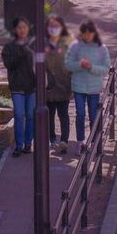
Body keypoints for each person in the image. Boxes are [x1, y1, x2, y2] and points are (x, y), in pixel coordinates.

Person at [65, 20, 111, 151]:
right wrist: (80, 65)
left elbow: (106, 67)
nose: (87, 36)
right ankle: (80, 141)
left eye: (89, 34)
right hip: (78, 86)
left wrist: (91, 67)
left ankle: (94, 141)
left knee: (93, 116)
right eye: (84, 34)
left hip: (94, 87)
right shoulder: (75, 46)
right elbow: (68, 64)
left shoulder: (101, 48)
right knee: (79, 113)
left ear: (94, 33)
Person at [1, 17, 36, 157]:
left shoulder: (34, 45)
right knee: (19, 114)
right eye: (19, 27)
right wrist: (23, 51)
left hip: (32, 87)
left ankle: (28, 144)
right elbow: (9, 64)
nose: (22, 30)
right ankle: (19, 145)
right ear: (15, 30)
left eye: (25, 27)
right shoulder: (9, 47)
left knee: (31, 115)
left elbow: (42, 63)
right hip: (17, 87)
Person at [45, 16, 73, 155]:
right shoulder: (42, 44)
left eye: (57, 26)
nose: (54, 29)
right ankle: (52, 138)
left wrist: (70, 81)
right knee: (49, 114)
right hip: (48, 88)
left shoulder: (67, 44)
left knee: (63, 114)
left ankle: (65, 140)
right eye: (51, 26)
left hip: (64, 86)